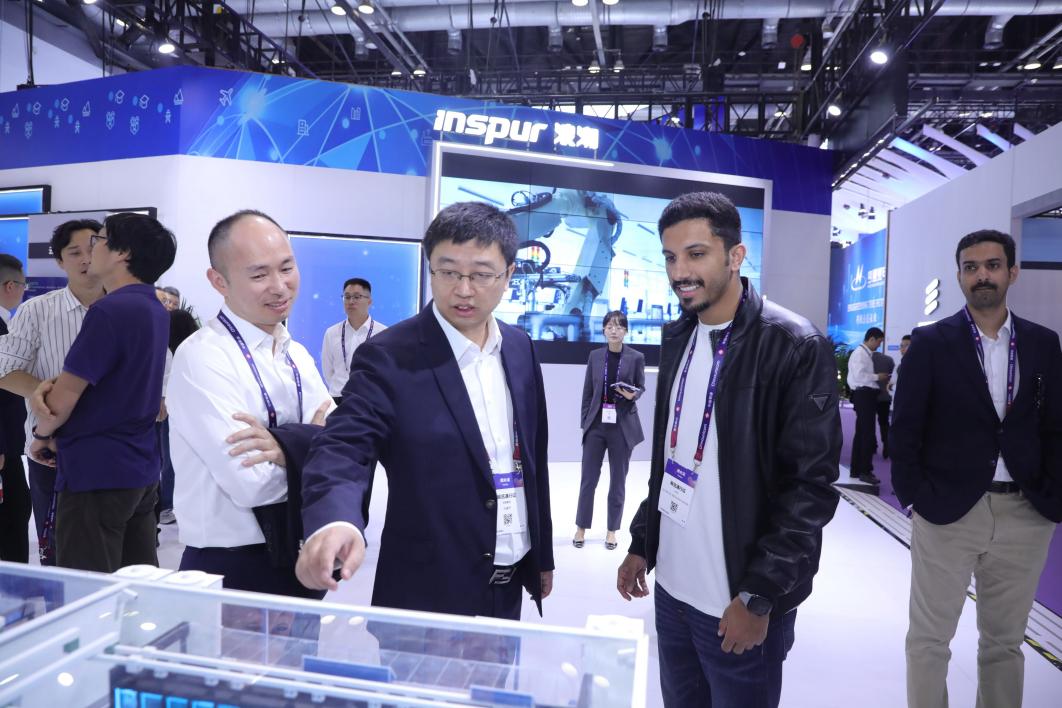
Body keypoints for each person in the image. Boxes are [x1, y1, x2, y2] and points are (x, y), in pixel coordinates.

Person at [616, 192, 840, 708]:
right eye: (670, 257)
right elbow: (672, 460)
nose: (680, 272)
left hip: (735, 602)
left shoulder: (794, 345)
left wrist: (759, 595)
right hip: (671, 595)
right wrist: (643, 540)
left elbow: (809, 488)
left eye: (696, 254)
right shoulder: (679, 336)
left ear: (736, 255)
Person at [296, 201, 555, 625]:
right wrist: (334, 519)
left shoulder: (519, 346)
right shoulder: (389, 356)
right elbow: (344, 446)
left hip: (507, 585)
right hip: (427, 590)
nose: (464, 289)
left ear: (509, 274)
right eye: (448, 272)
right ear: (430, 268)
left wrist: (540, 555)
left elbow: (531, 456)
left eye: (481, 274)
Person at [891, 229, 1062, 708]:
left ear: (1012, 272)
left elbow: (1055, 426)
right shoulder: (931, 342)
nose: (981, 275)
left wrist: (1053, 494)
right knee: (929, 640)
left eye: (992, 265)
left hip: (1025, 512)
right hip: (948, 511)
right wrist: (914, 496)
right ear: (960, 276)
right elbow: (905, 426)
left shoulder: (1043, 343)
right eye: (971, 267)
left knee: (1005, 643)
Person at [166, 210, 333, 598]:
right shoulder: (204, 357)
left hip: (301, 553)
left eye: (287, 268)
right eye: (259, 275)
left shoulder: (295, 353)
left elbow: (347, 450)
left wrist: (284, 447)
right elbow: (253, 485)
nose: (280, 286)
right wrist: (313, 442)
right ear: (218, 281)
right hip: (232, 567)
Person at [28, 213, 176, 573]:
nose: (91, 249)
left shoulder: (108, 311)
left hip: (96, 472)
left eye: (99, 240)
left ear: (123, 253)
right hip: (140, 468)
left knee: (88, 587)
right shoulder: (155, 308)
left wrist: (41, 435)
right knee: (136, 582)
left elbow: (63, 397)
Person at [0, 219, 104, 565]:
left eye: (93, 248)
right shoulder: (38, 310)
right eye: (75, 252)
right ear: (60, 261)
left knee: (119, 556)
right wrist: (40, 391)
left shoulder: (131, 309)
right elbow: (4, 369)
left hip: (118, 454)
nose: (86, 258)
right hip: (53, 452)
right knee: (59, 556)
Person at [574, 310, 645, 551]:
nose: (614, 330)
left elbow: (640, 387)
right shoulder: (594, 356)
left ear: (626, 331)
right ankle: (581, 527)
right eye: (610, 326)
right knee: (588, 480)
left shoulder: (636, 357)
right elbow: (587, 392)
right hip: (596, 426)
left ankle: (612, 530)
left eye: (619, 326)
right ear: (604, 329)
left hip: (622, 427)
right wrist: (585, 422)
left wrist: (632, 395)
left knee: (618, 482)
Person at [0, 254, 30, 562]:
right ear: (11, 286)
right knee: (12, 516)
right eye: (23, 285)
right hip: (4, 446)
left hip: (9, 444)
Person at [321, 278, 388, 405]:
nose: (351, 302)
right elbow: (328, 371)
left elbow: (385, 371)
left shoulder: (383, 333)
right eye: (347, 297)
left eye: (357, 297)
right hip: (338, 399)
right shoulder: (332, 333)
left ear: (369, 301)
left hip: (369, 399)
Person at [847, 327, 888, 484]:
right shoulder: (860, 354)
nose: (879, 345)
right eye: (879, 342)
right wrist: (877, 376)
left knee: (862, 433)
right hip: (864, 395)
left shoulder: (864, 353)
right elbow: (859, 376)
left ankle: (856, 470)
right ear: (871, 339)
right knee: (867, 434)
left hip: (864, 395)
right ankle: (865, 471)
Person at [872, 348, 896, 459]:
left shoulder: (866, 359)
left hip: (870, 396)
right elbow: (892, 376)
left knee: (869, 422)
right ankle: (887, 444)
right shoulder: (889, 360)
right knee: (884, 422)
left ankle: (872, 445)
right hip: (884, 396)